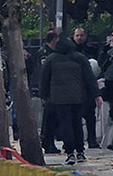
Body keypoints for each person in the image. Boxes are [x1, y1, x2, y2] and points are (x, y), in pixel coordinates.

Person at [39, 32, 100, 165]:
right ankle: (80, 151)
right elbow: (89, 78)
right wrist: (96, 94)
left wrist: (44, 95)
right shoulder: (80, 58)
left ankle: (70, 152)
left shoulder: (51, 59)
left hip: (59, 98)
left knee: (65, 125)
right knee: (77, 123)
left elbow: (44, 79)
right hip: (78, 97)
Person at [72, 28, 100, 148]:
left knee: (90, 116)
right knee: (75, 117)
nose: (79, 38)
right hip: (75, 87)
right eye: (77, 35)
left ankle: (92, 140)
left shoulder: (91, 49)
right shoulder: (70, 50)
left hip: (87, 88)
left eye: (81, 35)